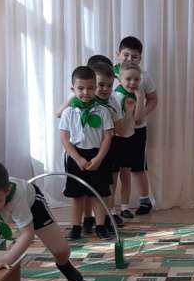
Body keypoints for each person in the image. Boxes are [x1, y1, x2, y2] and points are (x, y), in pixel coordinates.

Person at [57, 66, 114, 241]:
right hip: (76, 156)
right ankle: (76, 226)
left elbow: (108, 136)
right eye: (81, 88)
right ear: (72, 89)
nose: (85, 92)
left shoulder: (103, 110)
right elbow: (64, 138)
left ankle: (100, 226)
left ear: (95, 87)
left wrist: (99, 158)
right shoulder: (68, 112)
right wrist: (78, 158)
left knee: (98, 194)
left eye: (90, 88)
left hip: (97, 155)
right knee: (77, 195)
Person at [116, 36, 159, 216]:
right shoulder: (111, 75)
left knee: (138, 166)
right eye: (126, 55)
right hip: (116, 131)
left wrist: (139, 115)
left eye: (134, 56)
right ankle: (113, 206)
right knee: (116, 169)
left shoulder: (145, 76)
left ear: (140, 58)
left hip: (138, 130)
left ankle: (144, 200)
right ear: (118, 54)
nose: (130, 59)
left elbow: (153, 99)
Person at [88, 61, 124, 234]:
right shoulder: (82, 100)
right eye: (101, 85)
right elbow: (59, 114)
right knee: (87, 187)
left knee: (108, 185)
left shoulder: (112, 101)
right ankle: (88, 218)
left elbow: (121, 129)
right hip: (87, 149)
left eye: (109, 85)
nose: (105, 89)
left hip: (109, 146)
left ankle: (108, 215)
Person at [112, 63, 147, 220]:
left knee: (126, 176)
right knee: (113, 178)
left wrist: (140, 98)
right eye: (128, 79)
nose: (132, 82)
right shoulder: (114, 97)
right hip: (115, 140)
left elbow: (138, 119)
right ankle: (112, 209)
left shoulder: (136, 96)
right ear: (120, 79)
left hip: (129, 140)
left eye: (136, 79)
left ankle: (124, 207)